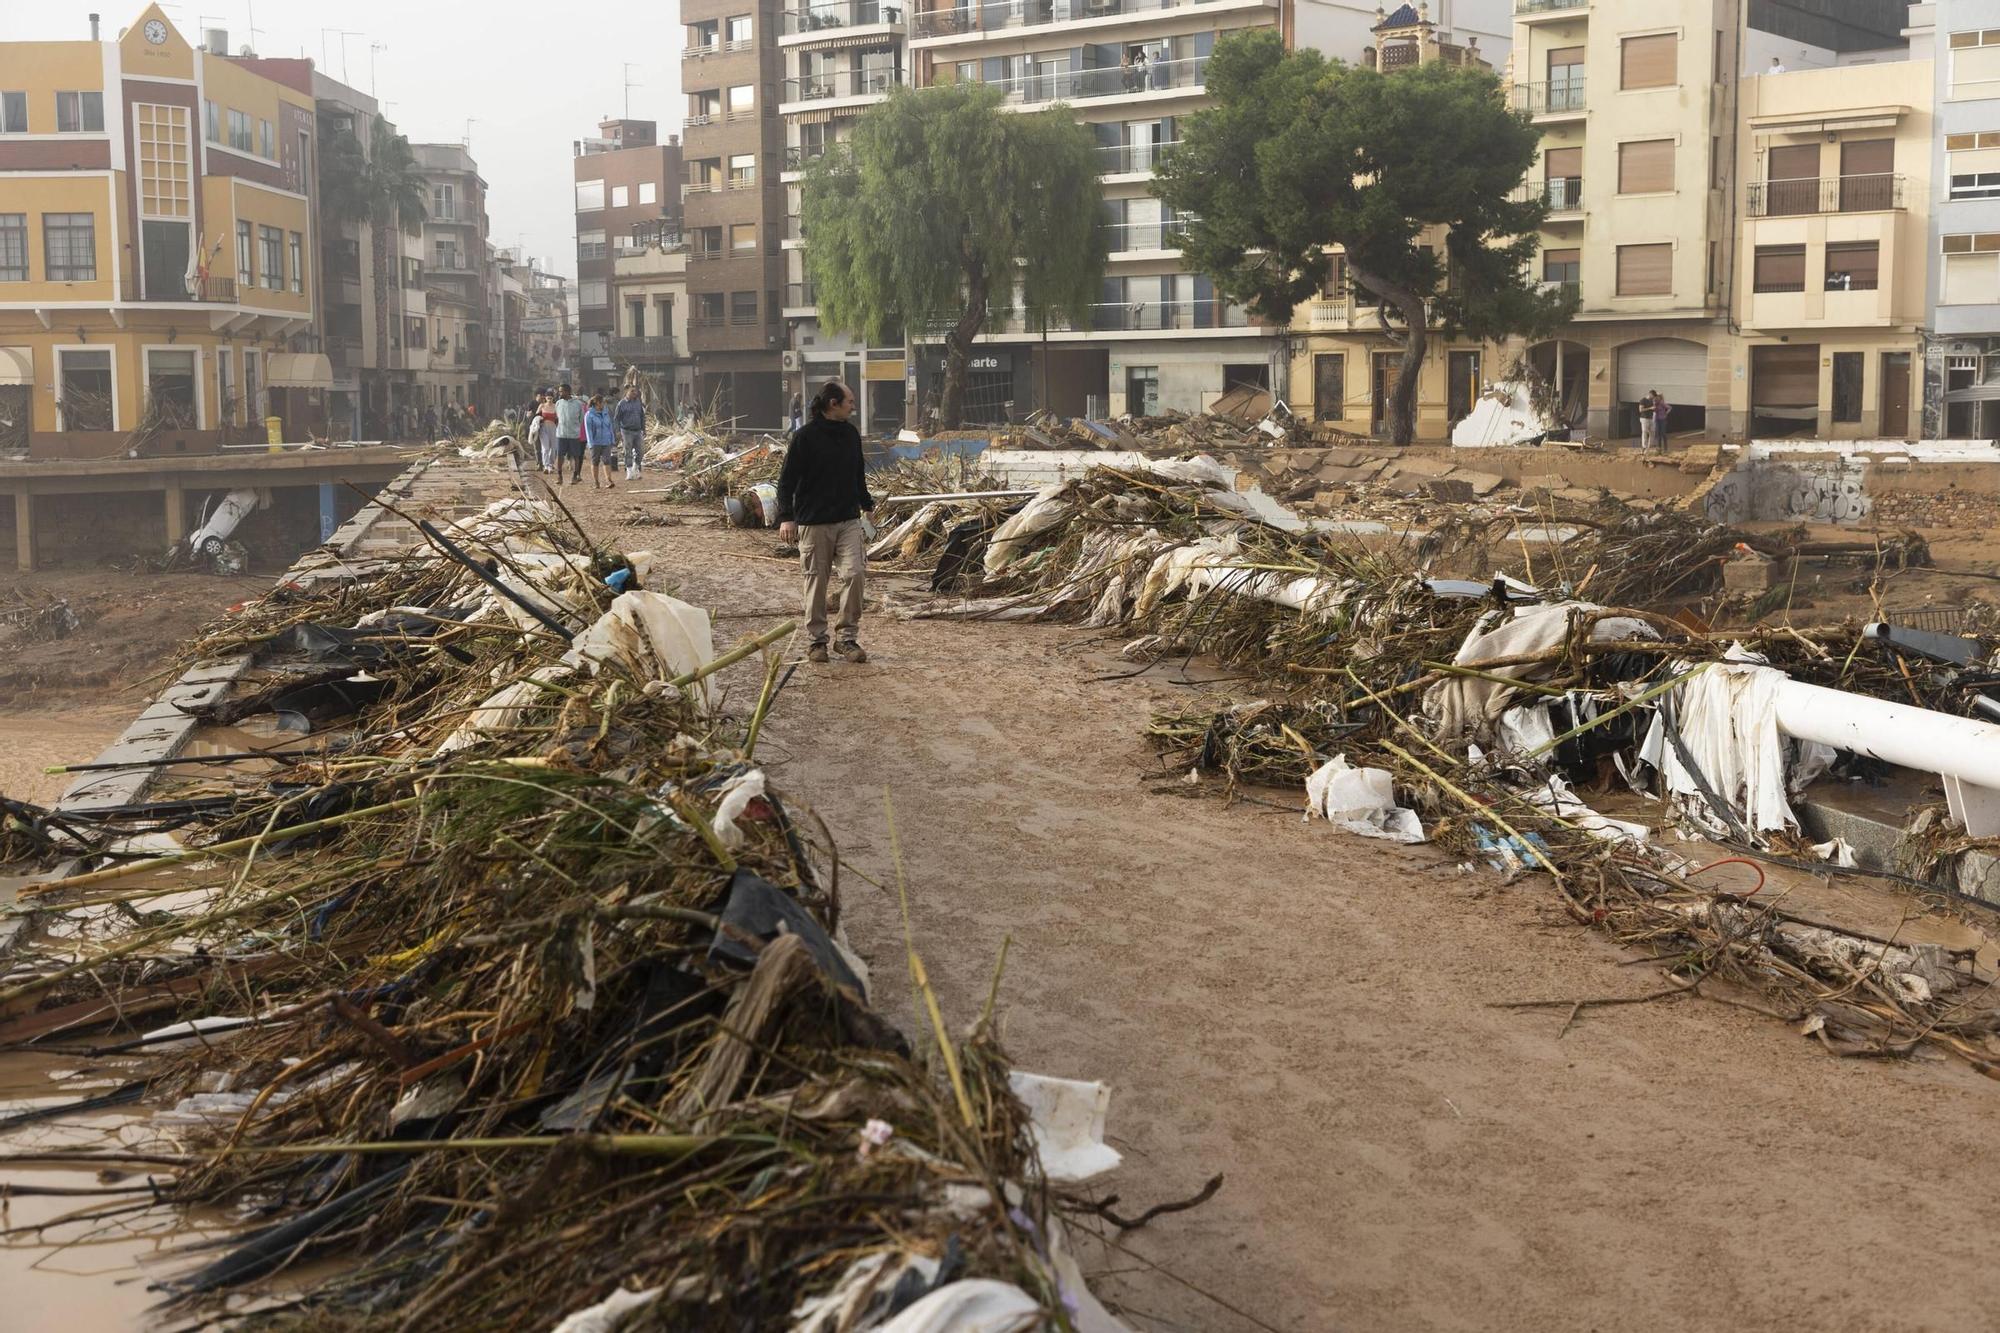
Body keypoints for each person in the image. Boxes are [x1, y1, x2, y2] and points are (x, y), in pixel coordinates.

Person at [776, 380, 874, 664]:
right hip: (813, 523)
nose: (853, 406)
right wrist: (786, 517)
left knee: (854, 574)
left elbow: (858, 474)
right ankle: (817, 641)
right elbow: (787, 481)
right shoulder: (805, 437)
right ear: (834, 404)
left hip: (848, 520)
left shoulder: (851, 435)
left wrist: (866, 505)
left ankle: (847, 639)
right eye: (850, 402)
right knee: (816, 582)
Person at [553, 384, 586, 484]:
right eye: (559, 391)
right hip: (561, 434)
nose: (560, 393)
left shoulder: (578, 404)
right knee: (560, 455)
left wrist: (575, 428)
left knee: (576, 456)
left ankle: (575, 476)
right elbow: (556, 417)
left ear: (567, 392)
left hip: (574, 435)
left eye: (561, 391)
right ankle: (559, 476)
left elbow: (581, 419)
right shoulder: (558, 403)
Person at [585, 393, 618, 488]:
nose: (604, 404)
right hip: (595, 442)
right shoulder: (589, 415)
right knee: (595, 461)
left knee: (607, 460)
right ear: (597, 403)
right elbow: (589, 430)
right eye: (602, 402)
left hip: (606, 440)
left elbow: (610, 427)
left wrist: (612, 439)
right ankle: (596, 481)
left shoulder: (606, 413)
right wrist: (590, 443)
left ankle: (609, 480)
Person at [614, 385, 647, 480]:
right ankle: (629, 471)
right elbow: (616, 419)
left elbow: (642, 416)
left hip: (637, 431)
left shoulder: (638, 403)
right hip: (626, 431)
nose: (635, 393)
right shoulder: (621, 404)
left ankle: (636, 467)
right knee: (628, 451)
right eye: (632, 391)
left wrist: (644, 429)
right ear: (627, 392)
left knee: (640, 451)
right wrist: (617, 431)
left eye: (635, 391)